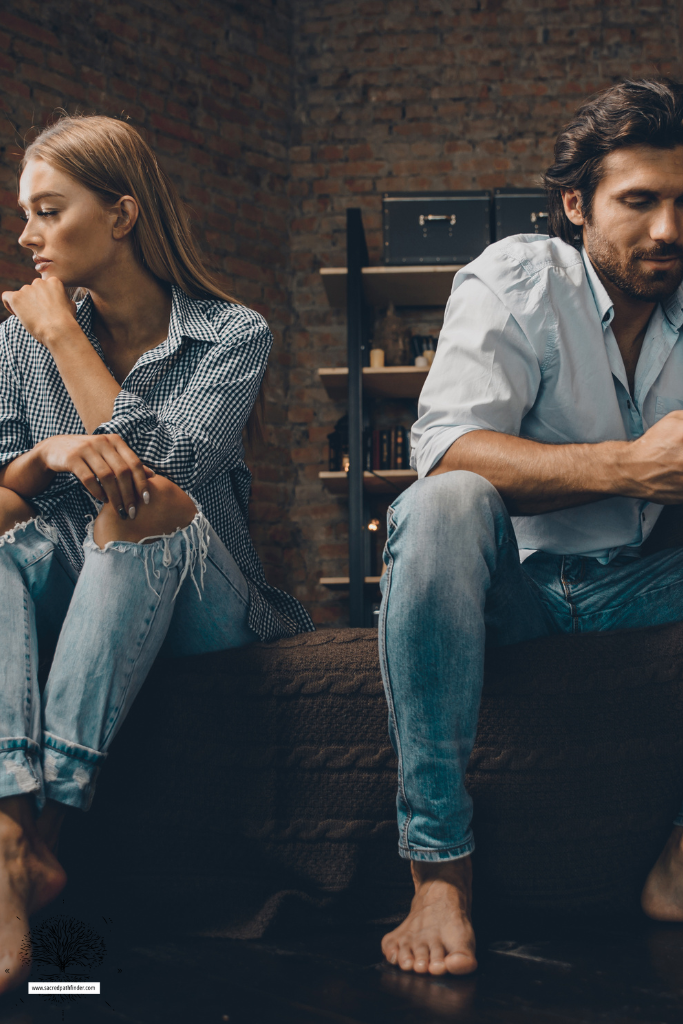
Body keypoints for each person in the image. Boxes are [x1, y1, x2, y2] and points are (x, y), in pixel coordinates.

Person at [0, 114, 313, 990]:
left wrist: (63, 337)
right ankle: (6, 833)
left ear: (123, 215)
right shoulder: (10, 342)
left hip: (201, 596)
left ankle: (38, 838)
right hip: (75, 582)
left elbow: (154, 481)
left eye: (48, 212)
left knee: (146, 507)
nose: (27, 238)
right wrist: (48, 454)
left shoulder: (231, 334)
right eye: (25, 215)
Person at [379, 77, 683, 977]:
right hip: (512, 592)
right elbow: (445, 453)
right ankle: (437, 873)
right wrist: (630, 467)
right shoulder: (515, 277)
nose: (668, 230)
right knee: (440, 502)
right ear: (574, 204)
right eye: (638, 202)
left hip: (644, 579)